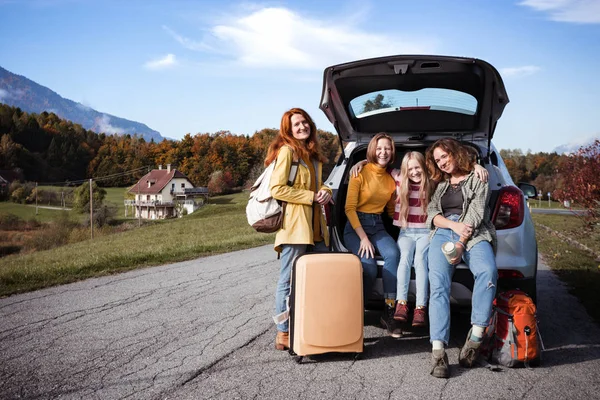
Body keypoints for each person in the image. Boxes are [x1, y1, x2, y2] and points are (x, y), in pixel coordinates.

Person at [350, 150, 487, 328]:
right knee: (404, 258)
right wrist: (360, 162)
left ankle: (420, 307)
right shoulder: (399, 178)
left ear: (424, 167)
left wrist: (475, 165)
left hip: (425, 232)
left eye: (417, 168)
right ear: (404, 171)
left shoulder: (432, 181)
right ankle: (401, 304)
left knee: (421, 260)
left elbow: (453, 168)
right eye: (410, 169)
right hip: (406, 232)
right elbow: (379, 164)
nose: (414, 172)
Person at [425, 138, 497, 379]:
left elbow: (476, 213)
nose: (442, 162)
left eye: (445, 156)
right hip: (444, 232)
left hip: (474, 233)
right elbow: (432, 213)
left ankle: (475, 339)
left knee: (487, 272)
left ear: (456, 153)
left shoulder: (479, 177)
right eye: (438, 160)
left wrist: (460, 243)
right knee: (438, 284)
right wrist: (450, 228)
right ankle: (438, 353)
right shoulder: (440, 184)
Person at [267, 107, 333, 351]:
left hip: (316, 227)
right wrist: (311, 197)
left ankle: (315, 324)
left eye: (305, 122)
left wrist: (325, 193)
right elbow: (277, 189)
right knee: (288, 280)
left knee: (322, 278)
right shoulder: (287, 152)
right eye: (296, 125)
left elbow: (321, 185)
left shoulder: (313, 156)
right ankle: (283, 333)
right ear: (288, 130)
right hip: (295, 227)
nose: (302, 127)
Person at [344, 132, 402, 338]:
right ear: (372, 150)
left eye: (387, 148)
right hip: (355, 227)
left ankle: (389, 312)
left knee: (393, 254)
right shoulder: (358, 172)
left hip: (377, 225)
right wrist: (363, 238)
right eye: (379, 148)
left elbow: (389, 212)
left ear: (392, 151)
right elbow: (349, 209)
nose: (383, 152)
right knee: (367, 265)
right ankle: (355, 313)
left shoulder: (390, 181)